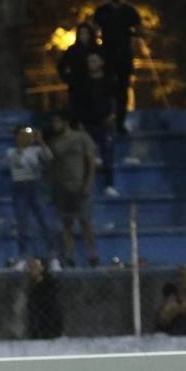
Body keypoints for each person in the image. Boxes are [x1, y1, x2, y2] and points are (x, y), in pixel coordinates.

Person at [48, 111, 98, 268]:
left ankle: (92, 254)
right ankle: (69, 256)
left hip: (80, 186)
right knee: (66, 223)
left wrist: (88, 183)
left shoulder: (81, 137)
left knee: (85, 222)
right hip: (62, 188)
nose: (54, 125)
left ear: (65, 122)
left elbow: (91, 161)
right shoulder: (54, 141)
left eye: (57, 122)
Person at [93, 0, 142, 133]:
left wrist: (132, 36)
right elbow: (95, 29)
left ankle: (120, 122)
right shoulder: (101, 11)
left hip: (124, 54)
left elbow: (139, 29)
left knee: (122, 89)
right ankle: (106, 120)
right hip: (107, 54)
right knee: (106, 89)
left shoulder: (129, 11)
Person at [71, 53, 118, 197]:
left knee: (107, 153)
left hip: (104, 122)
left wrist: (112, 114)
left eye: (94, 60)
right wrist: (79, 121)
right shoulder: (83, 82)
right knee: (86, 156)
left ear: (101, 62)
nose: (91, 63)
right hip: (88, 123)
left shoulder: (108, 80)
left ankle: (109, 185)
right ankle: (85, 187)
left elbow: (113, 99)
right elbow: (78, 102)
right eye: (89, 61)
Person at [6, 126, 53, 260]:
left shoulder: (37, 150)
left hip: (35, 186)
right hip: (19, 188)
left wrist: (41, 142)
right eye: (22, 135)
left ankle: (52, 254)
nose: (26, 137)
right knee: (22, 223)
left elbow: (48, 158)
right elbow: (17, 164)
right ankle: (23, 255)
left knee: (44, 220)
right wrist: (22, 149)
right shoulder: (11, 152)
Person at [56, 22, 100, 107]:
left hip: (95, 87)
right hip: (77, 88)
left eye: (86, 33)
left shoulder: (97, 49)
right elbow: (61, 66)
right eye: (82, 33)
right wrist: (68, 79)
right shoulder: (72, 50)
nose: (84, 36)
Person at [26, 258, 63, 339]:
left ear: (42, 268)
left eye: (36, 267)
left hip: (49, 323)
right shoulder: (29, 283)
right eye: (31, 267)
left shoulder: (49, 283)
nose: (32, 270)